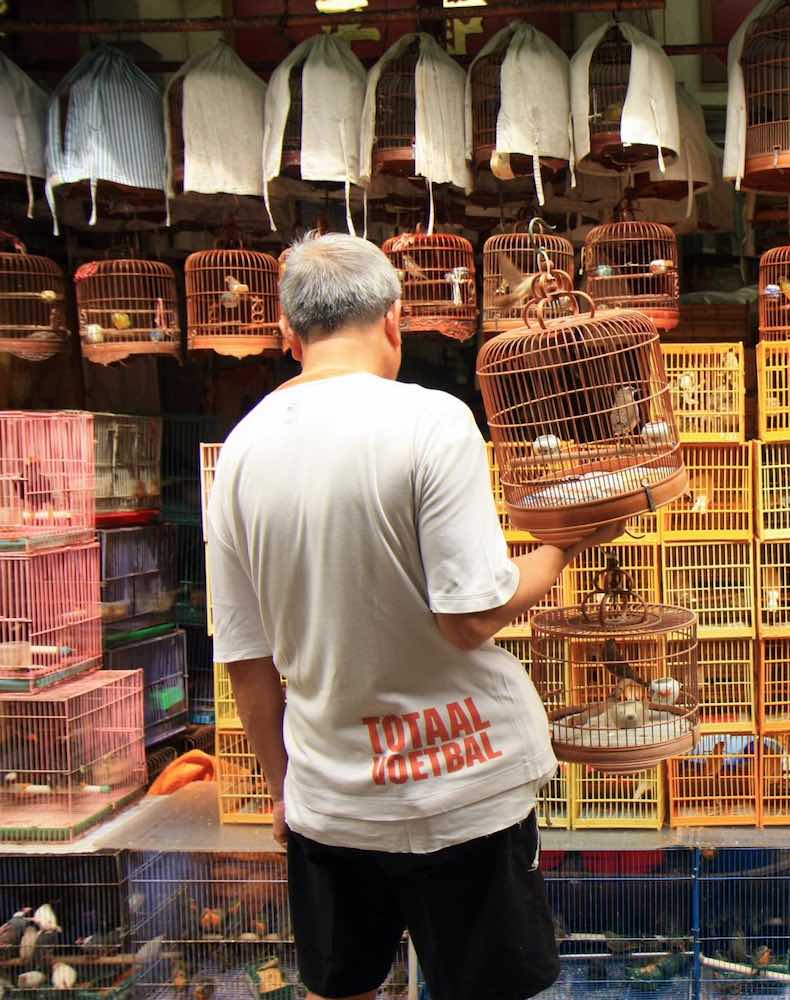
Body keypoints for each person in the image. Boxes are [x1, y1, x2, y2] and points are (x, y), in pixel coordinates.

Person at [206, 233, 615, 1000]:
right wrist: (559, 551)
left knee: (345, 987)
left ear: (288, 336)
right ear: (395, 319)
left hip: (330, 796)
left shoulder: (240, 452)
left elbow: (246, 654)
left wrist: (285, 789)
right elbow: (470, 614)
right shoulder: (432, 421)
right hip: (457, 792)